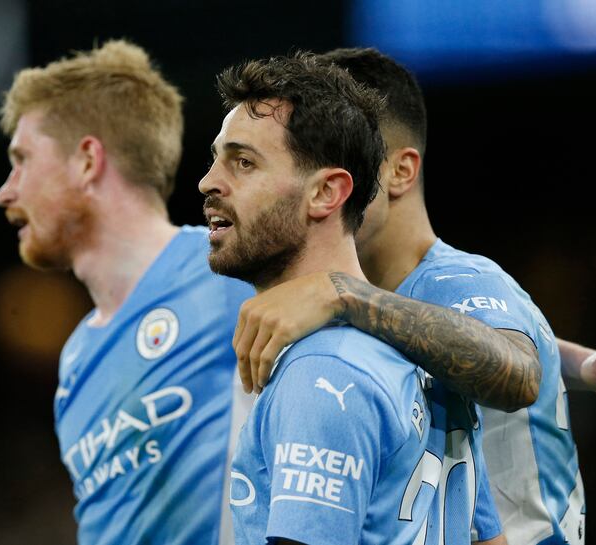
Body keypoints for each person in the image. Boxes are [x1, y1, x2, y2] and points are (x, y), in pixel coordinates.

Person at [229, 47, 596, 545]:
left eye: (350, 160)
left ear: (398, 170)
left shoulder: (455, 279)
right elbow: (470, 337)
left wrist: (345, 295)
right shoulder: (400, 307)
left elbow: (517, 373)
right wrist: (576, 364)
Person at [200, 52, 503, 545]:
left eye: (243, 162)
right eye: (215, 159)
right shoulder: (413, 354)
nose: (209, 182)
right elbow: (489, 538)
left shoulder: (322, 373)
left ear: (326, 193)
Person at [0, 40, 255, 545]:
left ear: (87, 159)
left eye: (22, 159)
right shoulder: (74, 363)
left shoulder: (230, 274)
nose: (6, 191)